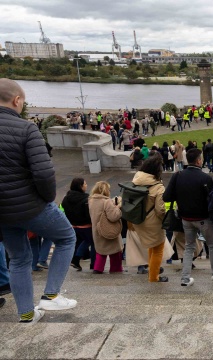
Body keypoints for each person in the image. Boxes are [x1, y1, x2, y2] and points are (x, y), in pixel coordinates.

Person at [0, 78, 77, 323]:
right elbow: (44, 173)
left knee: (19, 259)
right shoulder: (26, 128)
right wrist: (46, 200)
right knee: (66, 237)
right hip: (29, 204)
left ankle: (26, 313)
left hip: (2, 212)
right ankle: (51, 295)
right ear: (17, 100)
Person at [163, 149, 213, 286]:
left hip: (185, 218)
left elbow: (166, 197)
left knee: (189, 247)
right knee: (212, 244)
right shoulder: (205, 178)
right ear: (198, 161)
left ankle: (185, 278)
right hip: (203, 218)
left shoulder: (178, 175)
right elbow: (211, 200)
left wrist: (180, 196)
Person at [130, 155, 168, 282]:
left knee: (152, 247)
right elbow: (160, 209)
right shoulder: (158, 186)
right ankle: (153, 277)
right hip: (153, 222)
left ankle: (152, 273)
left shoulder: (136, 180)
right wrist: (165, 219)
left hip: (139, 219)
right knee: (158, 249)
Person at [88, 182, 123, 274]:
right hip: (109, 229)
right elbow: (114, 216)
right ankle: (115, 269)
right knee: (115, 251)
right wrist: (118, 207)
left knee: (101, 250)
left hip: (97, 230)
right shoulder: (106, 201)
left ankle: (98, 268)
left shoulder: (91, 201)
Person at [62, 178, 95, 272]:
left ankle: (76, 259)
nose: (86, 185)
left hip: (73, 225)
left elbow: (64, 209)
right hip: (86, 226)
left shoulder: (66, 198)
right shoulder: (86, 198)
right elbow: (88, 214)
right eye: (85, 184)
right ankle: (93, 264)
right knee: (93, 242)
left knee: (83, 241)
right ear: (80, 186)